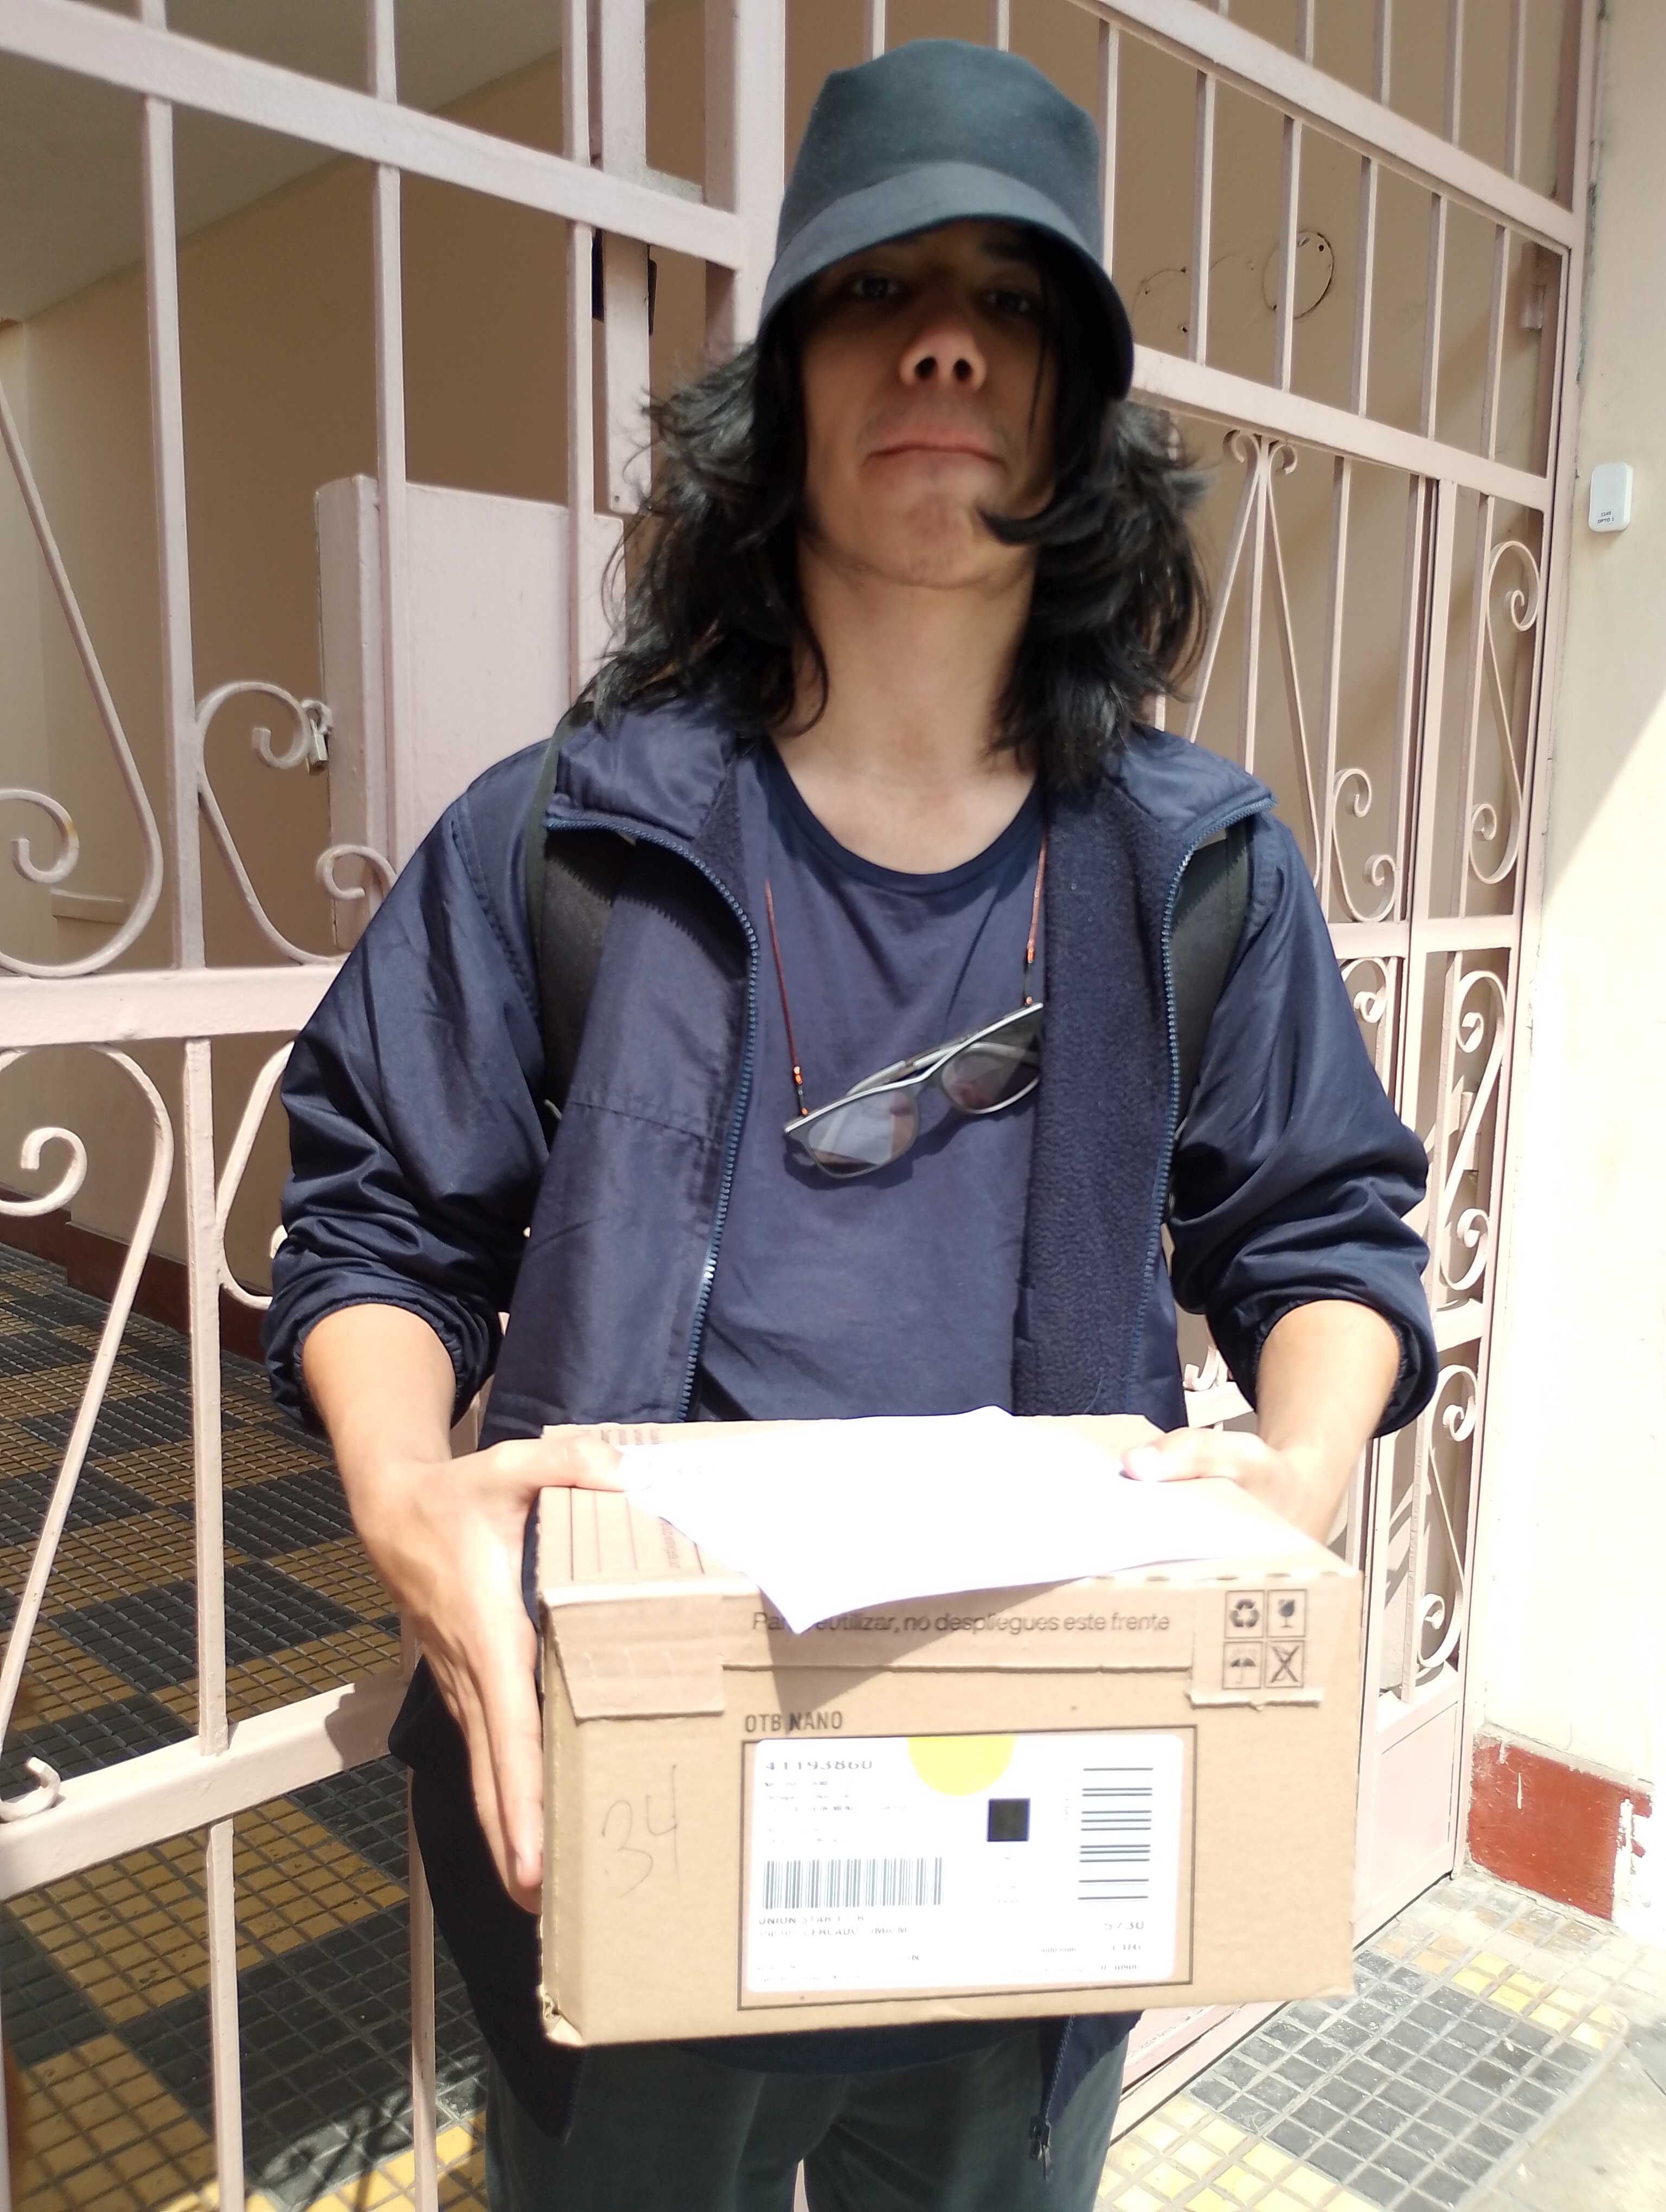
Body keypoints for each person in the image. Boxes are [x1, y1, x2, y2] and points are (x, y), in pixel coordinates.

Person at [266, 37, 1436, 2212]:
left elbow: (1327, 1230)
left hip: (1040, 1843)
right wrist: (405, 1496)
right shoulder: (566, 844)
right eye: (882, 287)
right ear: (784, 384)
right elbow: (377, 1227)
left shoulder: (1197, 870)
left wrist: (1299, 1467)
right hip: (645, 1815)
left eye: (1014, 303)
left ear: (1079, 412)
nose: (945, 343)